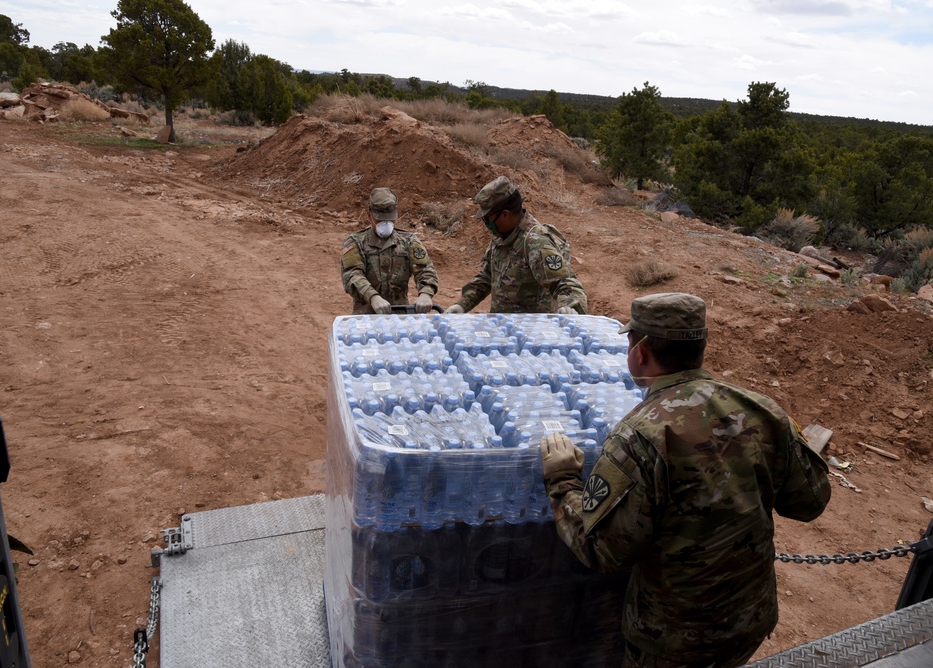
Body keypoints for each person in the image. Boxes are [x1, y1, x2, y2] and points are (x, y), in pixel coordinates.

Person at [539, 292, 832, 668]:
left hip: (674, 639)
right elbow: (810, 501)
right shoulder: (762, 408)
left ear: (640, 352)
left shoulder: (639, 437)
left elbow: (602, 550)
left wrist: (562, 480)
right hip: (749, 620)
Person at [444, 176, 587, 315]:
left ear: (505, 214)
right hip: (504, 328)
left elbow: (566, 284)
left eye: (487, 219)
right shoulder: (502, 236)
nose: (487, 225)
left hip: (531, 332)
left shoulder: (535, 242)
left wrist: (570, 308)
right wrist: (462, 305)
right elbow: (487, 276)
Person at [341, 187, 438, 315]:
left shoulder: (409, 241)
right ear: (369, 216)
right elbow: (352, 275)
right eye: (380, 219)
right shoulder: (355, 242)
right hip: (366, 317)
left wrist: (425, 293)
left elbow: (425, 270)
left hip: (400, 317)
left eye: (390, 219)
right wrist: (373, 297)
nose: (386, 224)